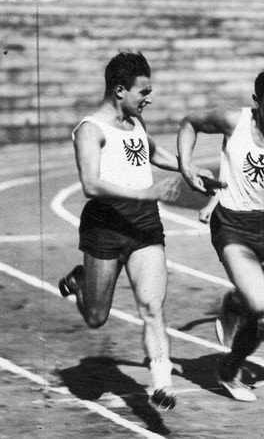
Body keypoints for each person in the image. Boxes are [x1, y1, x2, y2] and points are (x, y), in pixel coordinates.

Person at [58, 51, 194, 410]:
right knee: (96, 317)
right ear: (120, 90)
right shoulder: (90, 130)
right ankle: (79, 281)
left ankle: (162, 383)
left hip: (144, 224)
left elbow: (151, 152)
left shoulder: (136, 122)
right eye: (143, 92)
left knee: (152, 306)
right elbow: (91, 184)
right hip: (105, 227)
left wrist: (189, 170)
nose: (149, 98)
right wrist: (146, 191)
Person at [178, 68, 264, 402]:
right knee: (260, 301)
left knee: (263, 316)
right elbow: (188, 123)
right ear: (257, 102)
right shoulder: (232, 121)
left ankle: (229, 368)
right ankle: (236, 302)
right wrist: (186, 167)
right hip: (232, 224)